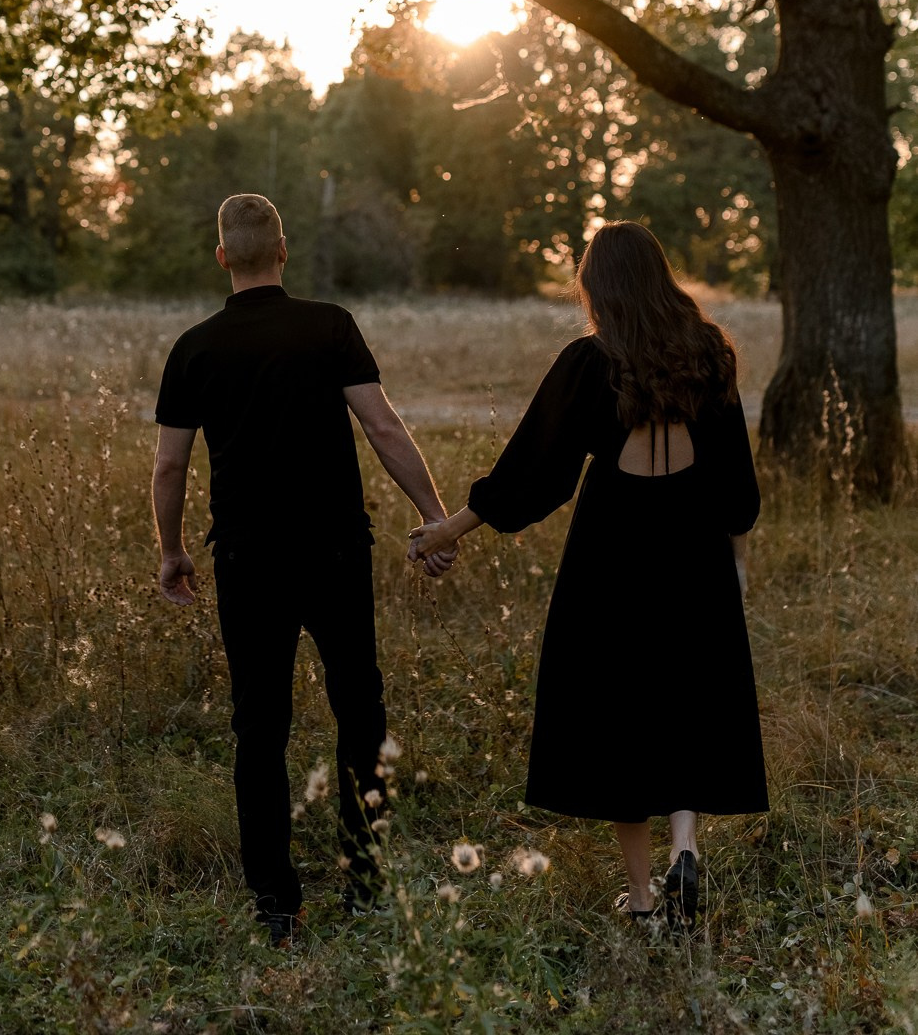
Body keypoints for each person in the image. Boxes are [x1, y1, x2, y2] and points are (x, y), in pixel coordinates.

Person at [409, 221, 768, 927]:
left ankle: (641, 902)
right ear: (661, 277)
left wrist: (447, 530)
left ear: (597, 287)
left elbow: (532, 476)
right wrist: (735, 562)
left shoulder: (588, 361)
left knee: (617, 716)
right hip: (693, 551)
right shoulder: (709, 355)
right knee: (685, 697)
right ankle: (684, 848)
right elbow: (737, 491)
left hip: (613, 553)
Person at [152, 191, 457, 945]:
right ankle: (364, 881)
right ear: (283, 252)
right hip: (335, 552)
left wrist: (172, 550)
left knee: (260, 726)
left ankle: (276, 906)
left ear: (222, 257)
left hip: (249, 561)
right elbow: (382, 426)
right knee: (361, 710)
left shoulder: (193, 348)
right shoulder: (330, 326)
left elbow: (168, 467)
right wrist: (436, 515)